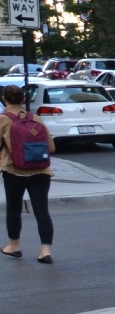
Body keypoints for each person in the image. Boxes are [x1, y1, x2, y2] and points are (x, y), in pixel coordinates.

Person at [1, 84, 56, 264]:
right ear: (24, 100)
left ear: (4, 99)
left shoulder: (3, 120)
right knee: (42, 211)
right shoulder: (36, 118)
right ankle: (45, 251)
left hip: (13, 170)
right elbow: (51, 147)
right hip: (40, 171)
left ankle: (14, 246)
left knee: (14, 209)